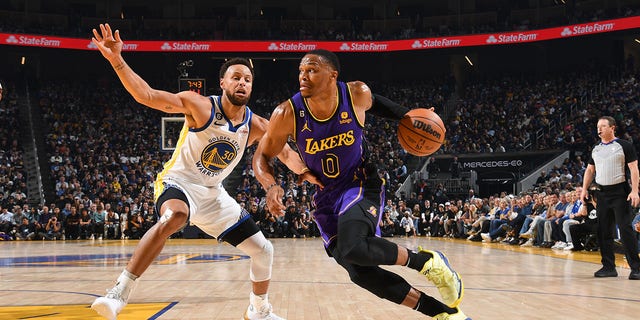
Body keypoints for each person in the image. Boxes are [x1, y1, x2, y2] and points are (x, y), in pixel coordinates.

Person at [90, 23, 315, 320]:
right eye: (236, 77)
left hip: (213, 195)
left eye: (247, 79)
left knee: (264, 250)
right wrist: (117, 60)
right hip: (177, 182)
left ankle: (258, 310)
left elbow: (287, 154)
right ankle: (118, 292)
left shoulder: (256, 124)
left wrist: (312, 172)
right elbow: (146, 95)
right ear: (222, 82)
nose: (242, 83)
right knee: (176, 216)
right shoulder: (199, 106)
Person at [253, 49, 468, 319]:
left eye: (312, 69)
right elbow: (262, 155)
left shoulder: (356, 93)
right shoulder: (287, 112)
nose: (303, 76)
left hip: (360, 182)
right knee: (358, 272)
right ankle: (444, 314)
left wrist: (409, 116)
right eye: (300, 71)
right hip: (325, 197)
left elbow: (376, 103)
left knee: (354, 246)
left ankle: (428, 262)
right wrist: (270, 185)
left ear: (332, 75)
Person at [579, 116, 640, 280]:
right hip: (601, 194)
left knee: (625, 229)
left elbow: (634, 169)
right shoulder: (596, 148)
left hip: (620, 192)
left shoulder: (624, 145)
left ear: (612, 128)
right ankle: (608, 267)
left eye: (603, 126)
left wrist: (634, 191)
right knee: (603, 230)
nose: (599, 129)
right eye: (598, 127)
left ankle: (636, 268)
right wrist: (584, 189)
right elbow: (590, 170)